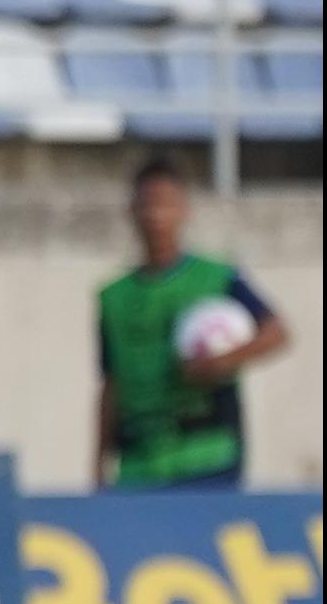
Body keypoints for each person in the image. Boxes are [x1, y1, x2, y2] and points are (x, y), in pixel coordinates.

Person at [95, 157, 291, 490]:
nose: (156, 215)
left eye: (165, 204)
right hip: (139, 464)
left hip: (208, 456)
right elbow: (110, 385)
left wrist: (222, 361)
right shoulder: (113, 298)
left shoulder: (216, 278)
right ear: (131, 211)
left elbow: (276, 332)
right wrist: (98, 468)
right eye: (147, 204)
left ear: (184, 210)